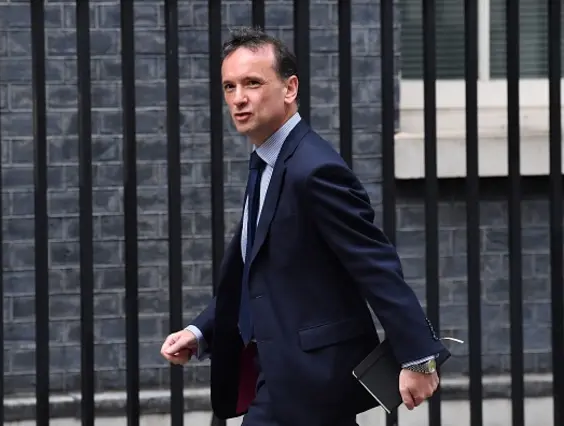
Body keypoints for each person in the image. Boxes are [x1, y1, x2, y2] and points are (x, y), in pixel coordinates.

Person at [160, 27, 448, 426]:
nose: (239, 98)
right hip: (285, 377)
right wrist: (201, 331)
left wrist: (418, 356)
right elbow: (261, 273)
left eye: (253, 83)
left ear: (290, 88)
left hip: (310, 378)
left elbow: (375, 265)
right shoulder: (268, 163)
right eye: (229, 86)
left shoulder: (314, 170)